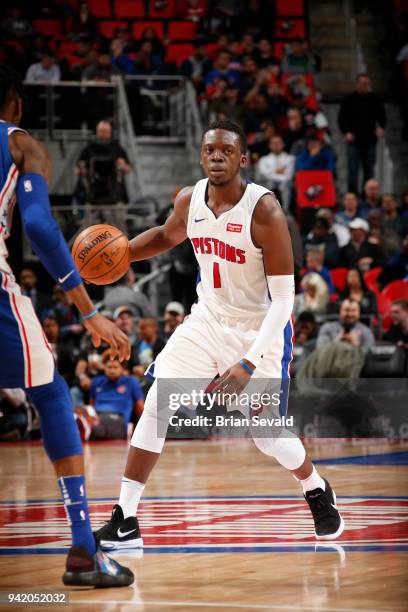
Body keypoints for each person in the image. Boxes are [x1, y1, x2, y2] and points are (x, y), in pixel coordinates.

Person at [95, 119, 344, 551]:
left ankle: (315, 486)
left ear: (242, 159)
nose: (216, 156)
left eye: (226, 151)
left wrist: (249, 361)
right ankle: (126, 517)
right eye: (210, 149)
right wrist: (122, 255)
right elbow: (166, 235)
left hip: (258, 332)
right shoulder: (189, 199)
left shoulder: (264, 211)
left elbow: (285, 302)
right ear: (200, 155)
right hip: (206, 320)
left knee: (267, 437)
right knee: (158, 400)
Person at [0, 65, 133, 586]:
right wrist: (88, 309)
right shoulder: (21, 143)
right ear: (16, 105)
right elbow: (36, 224)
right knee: (51, 395)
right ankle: (83, 551)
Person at [338, 74, 386, 193]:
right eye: (362, 83)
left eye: (367, 84)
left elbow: (382, 117)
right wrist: (346, 132)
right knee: (353, 171)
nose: (365, 86)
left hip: (370, 140)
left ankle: (367, 196)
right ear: (357, 84)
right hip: (354, 141)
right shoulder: (349, 99)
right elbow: (341, 119)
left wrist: (381, 128)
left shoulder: (375, 99)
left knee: (369, 171)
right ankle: (352, 196)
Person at [87, 350, 144, 439]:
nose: (112, 371)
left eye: (115, 367)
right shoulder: (96, 382)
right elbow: (91, 406)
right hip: (97, 416)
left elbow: (140, 408)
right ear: (104, 367)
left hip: (118, 419)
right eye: (109, 367)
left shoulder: (131, 382)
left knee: (98, 425)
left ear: (122, 368)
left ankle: (87, 429)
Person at [75, 120, 132, 205]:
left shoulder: (117, 149)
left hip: (114, 195)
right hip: (93, 195)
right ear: (97, 132)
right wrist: (82, 170)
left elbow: (129, 168)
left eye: (106, 132)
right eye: (101, 132)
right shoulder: (89, 149)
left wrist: (123, 165)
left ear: (110, 133)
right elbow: (77, 169)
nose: (103, 134)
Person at [254, 134, 295, 210]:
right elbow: (265, 175)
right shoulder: (264, 160)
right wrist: (279, 171)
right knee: (269, 184)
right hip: (268, 185)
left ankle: (285, 210)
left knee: (284, 185)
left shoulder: (290, 159)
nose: (276, 145)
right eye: (273, 143)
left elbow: (288, 176)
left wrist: (272, 172)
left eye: (278, 143)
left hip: (284, 186)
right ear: (269, 145)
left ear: (283, 144)